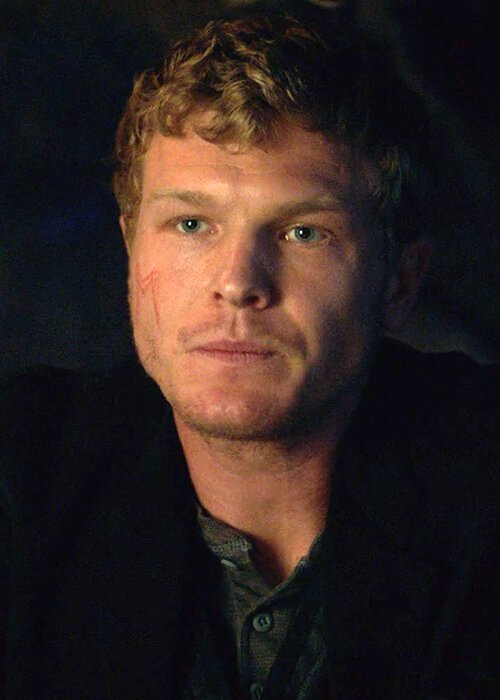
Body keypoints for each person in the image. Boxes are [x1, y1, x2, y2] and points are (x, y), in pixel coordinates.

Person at [1, 13, 498, 700]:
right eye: (191, 224)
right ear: (130, 251)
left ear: (399, 281)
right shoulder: (23, 478)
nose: (237, 282)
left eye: (302, 232)